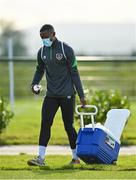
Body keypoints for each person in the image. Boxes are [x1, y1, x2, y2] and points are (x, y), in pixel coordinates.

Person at [27, 24, 86, 166]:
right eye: (42, 38)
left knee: (68, 126)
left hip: (67, 95)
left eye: (46, 37)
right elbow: (39, 70)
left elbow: (75, 74)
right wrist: (34, 84)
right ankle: (40, 158)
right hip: (51, 95)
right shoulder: (42, 52)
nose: (44, 40)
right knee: (45, 123)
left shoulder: (66, 50)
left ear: (53, 34)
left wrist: (81, 95)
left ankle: (76, 158)